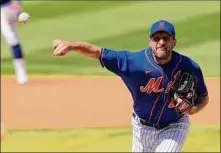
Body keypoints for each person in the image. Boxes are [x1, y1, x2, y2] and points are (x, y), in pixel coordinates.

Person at [52, 20, 209, 152]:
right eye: (157, 38)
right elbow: (98, 53)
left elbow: (204, 97)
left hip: (174, 126)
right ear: (150, 41)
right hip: (141, 128)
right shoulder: (134, 62)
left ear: (174, 42)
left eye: (166, 38)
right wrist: (71, 45)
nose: (161, 42)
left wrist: (193, 109)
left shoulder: (189, 66)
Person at [1, 0, 28, 84]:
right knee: (14, 40)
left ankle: (21, 74)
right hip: (9, 9)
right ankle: (21, 74)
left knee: (13, 41)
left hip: (5, 10)